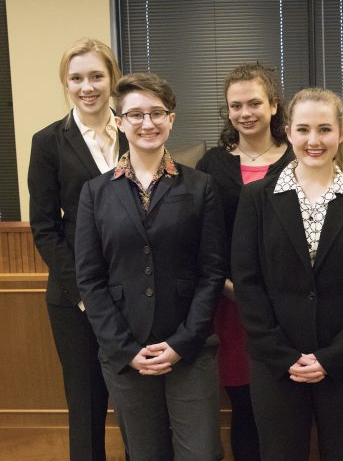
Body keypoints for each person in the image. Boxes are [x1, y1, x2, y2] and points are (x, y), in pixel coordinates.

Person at [75, 72, 226, 461]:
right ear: (120, 121)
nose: (147, 123)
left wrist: (181, 344)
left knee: (201, 453)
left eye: (157, 113)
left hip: (189, 349)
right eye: (136, 114)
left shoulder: (200, 186)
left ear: (171, 119)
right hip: (126, 353)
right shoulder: (95, 192)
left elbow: (212, 272)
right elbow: (90, 280)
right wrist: (125, 349)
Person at [232, 87, 343, 461]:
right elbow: (247, 282)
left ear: (342, 133)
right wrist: (283, 355)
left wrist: (333, 357)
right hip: (276, 363)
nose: (313, 141)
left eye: (324, 129)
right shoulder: (257, 198)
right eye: (303, 130)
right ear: (288, 131)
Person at [27, 37, 126, 461]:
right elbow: (45, 227)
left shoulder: (135, 128)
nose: (87, 87)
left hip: (133, 291)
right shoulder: (48, 141)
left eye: (96, 76)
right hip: (76, 299)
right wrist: (86, 294)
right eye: (76, 78)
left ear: (112, 80)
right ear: (65, 84)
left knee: (137, 401)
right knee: (86, 404)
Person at [196, 62, 294, 461]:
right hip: (232, 306)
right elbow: (203, 237)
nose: (245, 113)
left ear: (273, 105)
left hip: (289, 306)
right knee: (245, 408)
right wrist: (226, 284)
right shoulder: (211, 166)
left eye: (254, 103)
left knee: (286, 407)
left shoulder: (299, 157)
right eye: (235, 105)